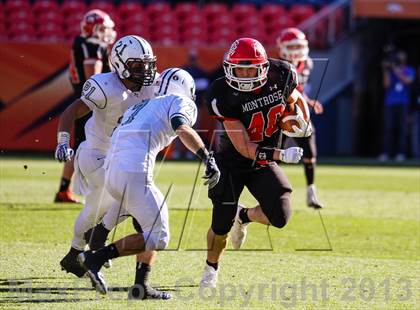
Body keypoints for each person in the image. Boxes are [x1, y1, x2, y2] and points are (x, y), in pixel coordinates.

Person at [77, 68, 221, 296]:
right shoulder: (179, 101)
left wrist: (105, 227)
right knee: (159, 236)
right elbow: (182, 127)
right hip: (133, 170)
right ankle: (95, 259)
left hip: (112, 172)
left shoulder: (139, 106)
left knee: (143, 216)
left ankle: (138, 282)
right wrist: (207, 157)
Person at [55, 35, 169, 299]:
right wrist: (63, 140)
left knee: (116, 204)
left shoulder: (153, 85)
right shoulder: (105, 86)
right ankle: (89, 248)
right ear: (118, 64)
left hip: (124, 157)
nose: (145, 70)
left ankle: (82, 252)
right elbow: (70, 112)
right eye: (137, 65)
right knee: (104, 204)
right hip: (96, 154)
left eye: (147, 64)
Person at [199, 38, 311, 288]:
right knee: (220, 225)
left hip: (263, 161)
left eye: (251, 69)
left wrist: (304, 120)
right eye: (240, 69)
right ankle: (211, 268)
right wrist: (281, 155)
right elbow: (245, 148)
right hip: (230, 163)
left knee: (280, 216)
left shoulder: (281, 73)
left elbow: (296, 99)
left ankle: (244, 215)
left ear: (263, 67)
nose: (246, 74)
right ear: (230, 68)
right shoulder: (222, 93)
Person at [55, 9, 116, 203]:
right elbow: (94, 77)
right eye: (103, 28)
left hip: (85, 99)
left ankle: (64, 190)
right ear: (94, 28)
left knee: (81, 144)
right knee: (95, 146)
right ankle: (101, 190)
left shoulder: (82, 42)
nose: (106, 32)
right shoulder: (91, 44)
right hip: (93, 103)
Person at [276, 27, 324, 209]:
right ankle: (269, 191)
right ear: (283, 47)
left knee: (310, 154)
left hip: (299, 113)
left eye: (299, 46)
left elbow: (299, 89)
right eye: (292, 46)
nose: (296, 51)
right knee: (275, 155)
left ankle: (311, 192)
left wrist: (308, 101)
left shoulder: (307, 64)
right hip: (280, 114)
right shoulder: (278, 66)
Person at [378, 49, 415, 162]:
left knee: (402, 129)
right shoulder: (390, 71)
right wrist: (385, 70)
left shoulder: (409, 69)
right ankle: (386, 153)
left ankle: (401, 153)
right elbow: (386, 84)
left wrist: (396, 69)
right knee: (389, 128)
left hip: (403, 103)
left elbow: (408, 81)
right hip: (390, 103)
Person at [410, 66, 420, 158]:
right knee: (415, 134)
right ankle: (416, 156)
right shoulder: (415, 83)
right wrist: (409, 113)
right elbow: (411, 99)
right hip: (416, 111)